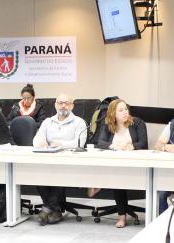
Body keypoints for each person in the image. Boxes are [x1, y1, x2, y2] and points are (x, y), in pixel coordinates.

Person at [32, 93, 88, 225]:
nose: (63, 105)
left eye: (66, 103)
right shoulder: (47, 121)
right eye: (60, 103)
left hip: (69, 163)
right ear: (55, 105)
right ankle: (55, 210)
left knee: (60, 173)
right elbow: (37, 137)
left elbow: (79, 143)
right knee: (36, 173)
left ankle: (47, 209)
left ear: (72, 106)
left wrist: (61, 144)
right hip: (48, 161)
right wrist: (40, 142)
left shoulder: (80, 122)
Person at [95, 99, 148, 228]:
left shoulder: (137, 122)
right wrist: (113, 146)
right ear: (113, 113)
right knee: (117, 175)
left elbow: (143, 143)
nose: (125, 112)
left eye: (126, 109)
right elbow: (100, 142)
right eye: (121, 110)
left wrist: (132, 147)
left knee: (118, 175)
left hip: (135, 164)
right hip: (116, 164)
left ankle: (97, 185)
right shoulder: (108, 124)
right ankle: (122, 216)